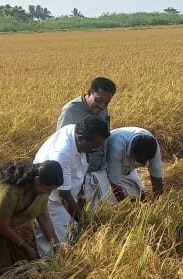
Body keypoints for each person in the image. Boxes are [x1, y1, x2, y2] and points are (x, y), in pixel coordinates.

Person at [0, 160, 63, 273]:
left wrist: (56, 245)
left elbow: (43, 217)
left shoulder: (41, 189)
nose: (49, 194)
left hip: (3, 217)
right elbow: (1, 226)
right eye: (48, 189)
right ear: (37, 180)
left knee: (13, 257)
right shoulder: (10, 189)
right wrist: (26, 248)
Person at [34, 116, 110, 254]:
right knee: (55, 242)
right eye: (92, 147)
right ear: (80, 138)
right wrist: (84, 221)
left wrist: (80, 199)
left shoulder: (78, 132)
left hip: (66, 195)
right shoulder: (62, 154)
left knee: (72, 235)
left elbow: (78, 173)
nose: (93, 150)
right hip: (50, 199)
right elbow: (63, 195)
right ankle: (47, 269)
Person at [57, 77, 116, 208]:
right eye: (98, 100)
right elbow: (62, 142)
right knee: (80, 212)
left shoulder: (102, 108)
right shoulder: (71, 111)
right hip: (80, 174)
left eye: (107, 102)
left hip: (99, 170)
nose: (102, 106)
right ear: (89, 93)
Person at [106, 127, 164, 201]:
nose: (144, 164)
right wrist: (125, 206)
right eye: (142, 160)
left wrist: (158, 203)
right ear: (132, 153)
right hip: (108, 169)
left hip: (128, 170)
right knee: (115, 199)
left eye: (147, 160)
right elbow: (114, 182)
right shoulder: (116, 146)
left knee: (141, 196)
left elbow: (157, 179)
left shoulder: (152, 146)